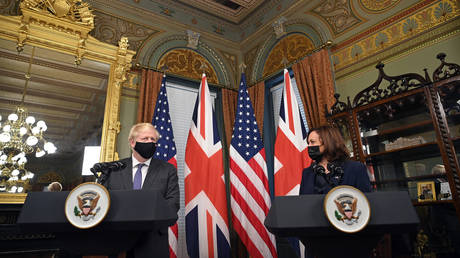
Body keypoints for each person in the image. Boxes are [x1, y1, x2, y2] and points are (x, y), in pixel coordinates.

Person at [103, 122, 179, 258]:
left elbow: (172, 204)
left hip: (153, 241)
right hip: (118, 242)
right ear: (132, 142)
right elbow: (105, 201)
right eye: (145, 139)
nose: (150, 142)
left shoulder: (168, 170)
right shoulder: (113, 169)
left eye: (153, 140)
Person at [299, 125, 371, 195]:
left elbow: (365, 201)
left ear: (327, 142)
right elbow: (303, 203)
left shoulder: (356, 169)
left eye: (312, 142)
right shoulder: (307, 173)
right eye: (308, 143)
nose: (309, 146)